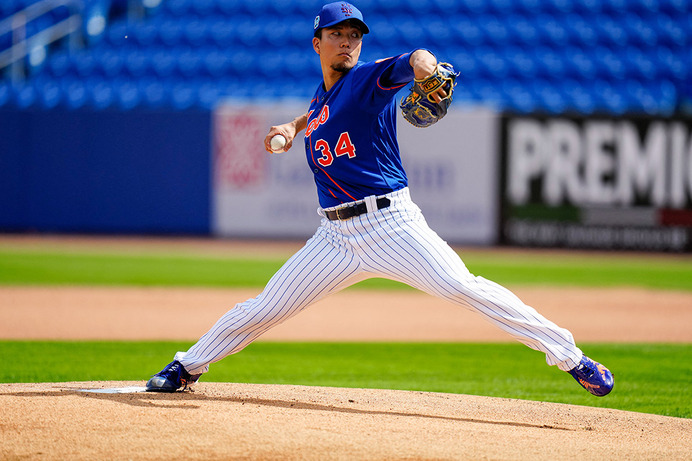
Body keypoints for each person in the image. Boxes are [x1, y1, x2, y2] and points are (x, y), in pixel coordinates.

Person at [146, 2, 614, 397]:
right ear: (318, 43)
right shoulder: (324, 94)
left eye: (355, 35)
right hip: (332, 237)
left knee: (464, 288)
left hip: (392, 226)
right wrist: (292, 128)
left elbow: (414, 58)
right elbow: (317, 112)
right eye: (337, 34)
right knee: (264, 307)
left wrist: (427, 68)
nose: (347, 41)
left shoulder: (369, 80)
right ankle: (186, 366)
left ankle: (570, 356)